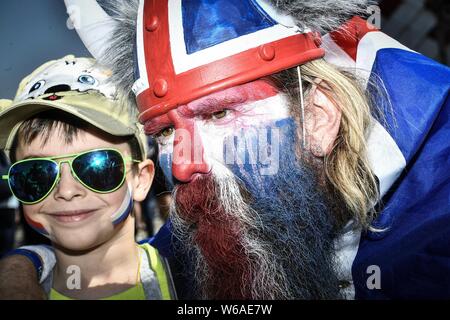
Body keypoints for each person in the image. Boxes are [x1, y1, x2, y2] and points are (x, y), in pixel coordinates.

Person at [1, 0, 450, 299]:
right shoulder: (247, 204)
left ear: (318, 116)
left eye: (219, 114)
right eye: (164, 133)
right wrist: (29, 263)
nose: (182, 162)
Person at [0, 55, 175, 300]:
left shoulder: (193, 274)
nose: (66, 190)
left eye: (97, 166)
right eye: (37, 172)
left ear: (141, 179)